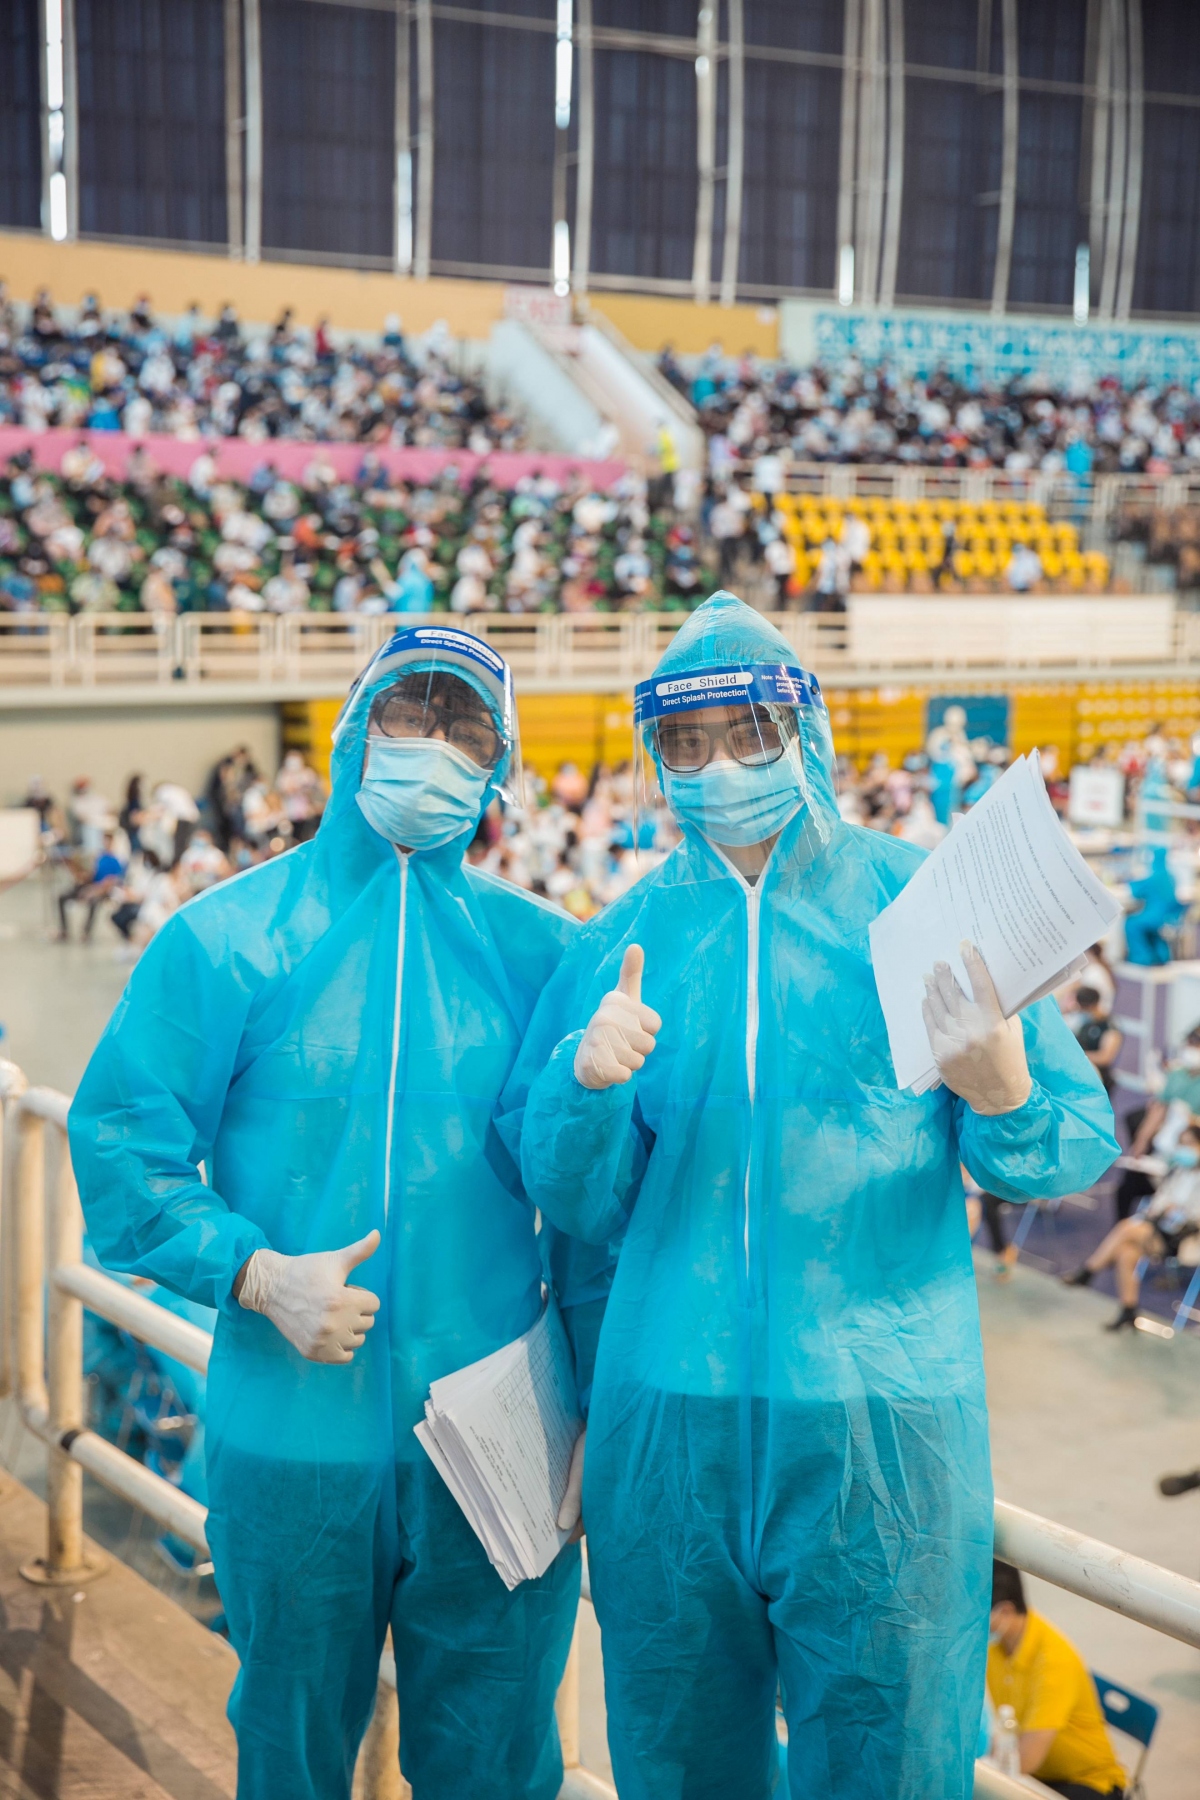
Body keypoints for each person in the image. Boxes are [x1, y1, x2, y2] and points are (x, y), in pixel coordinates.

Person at [500, 591, 1117, 1800]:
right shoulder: (620, 939)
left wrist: (1003, 1096)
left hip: (882, 1427)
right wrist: (583, 1091)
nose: (720, 765)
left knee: (885, 1763)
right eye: (686, 741)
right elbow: (574, 1204)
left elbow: (1071, 1140)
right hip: (663, 1428)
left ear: (806, 730)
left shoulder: (922, 910)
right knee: (678, 1758)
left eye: (747, 730)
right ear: (653, 755)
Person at [69, 625, 582, 1800]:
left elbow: (595, 1196)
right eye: (411, 716)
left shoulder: (543, 957)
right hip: (292, 1428)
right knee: (292, 1750)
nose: (436, 750)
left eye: (467, 731)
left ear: (501, 766)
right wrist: (251, 1272)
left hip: (497, 1434)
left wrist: (593, 1396)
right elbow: (122, 1154)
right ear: (354, 730)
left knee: (498, 1755)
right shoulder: (225, 939)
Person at [987, 1562, 1125, 1799]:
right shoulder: (996, 1646)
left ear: (1006, 1611)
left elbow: (1025, 1760)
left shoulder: (1053, 1660)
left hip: (1086, 1782)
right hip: (1036, 1773)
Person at [1063, 1124, 1200, 1329]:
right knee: (1127, 1252)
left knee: (1125, 1229)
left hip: (1185, 1237)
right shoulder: (1179, 1170)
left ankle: (1088, 1271)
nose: (1185, 1148)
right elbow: (1160, 1199)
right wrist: (1163, 1208)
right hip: (1159, 1227)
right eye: (1183, 1143)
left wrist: (1176, 1210)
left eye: (1190, 1144)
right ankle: (1128, 1310)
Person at [1113, 1023, 1200, 1220]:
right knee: (1127, 1187)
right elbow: (1158, 1110)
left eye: (1198, 1044)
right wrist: (1141, 1142)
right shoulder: (1178, 1075)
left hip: (1191, 1155)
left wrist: (1192, 1119)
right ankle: (1122, 1228)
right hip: (1166, 1147)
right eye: (1191, 1042)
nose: (1193, 1048)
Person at [56, 831, 125, 941]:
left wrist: (95, 890)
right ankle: (64, 931)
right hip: (91, 886)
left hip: (103, 891)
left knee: (93, 901)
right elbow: (93, 875)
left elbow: (112, 881)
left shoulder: (116, 861)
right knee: (62, 897)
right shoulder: (99, 858)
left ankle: (86, 933)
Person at [1070, 988, 1122, 1096]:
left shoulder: (1110, 1026)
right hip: (1079, 1073)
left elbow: (1105, 1057)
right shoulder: (1083, 1022)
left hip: (1098, 1078)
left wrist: (1078, 1055)